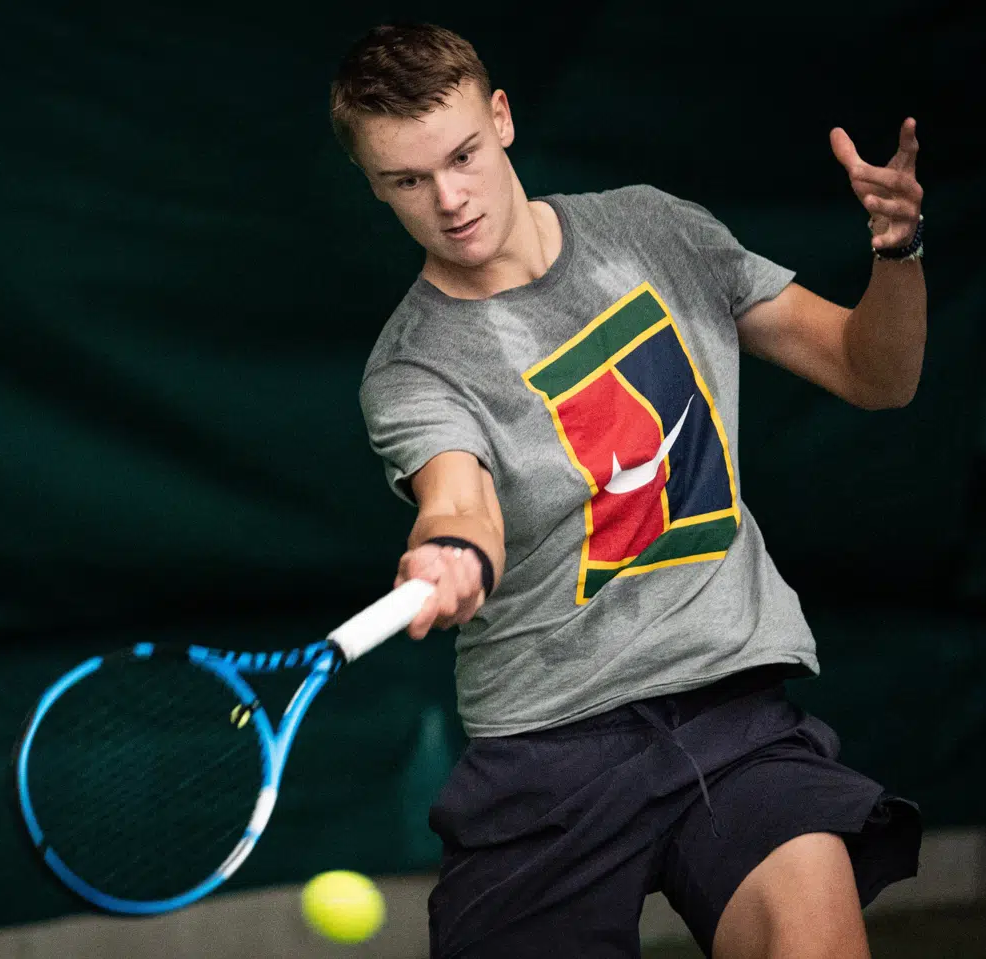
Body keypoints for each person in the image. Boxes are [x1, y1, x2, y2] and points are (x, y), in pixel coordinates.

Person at [329, 21, 926, 959]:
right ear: (374, 185)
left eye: (462, 156)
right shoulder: (412, 369)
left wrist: (899, 251)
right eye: (407, 180)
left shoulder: (654, 228)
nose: (449, 199)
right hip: (547, 749)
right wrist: (449, 546)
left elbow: (874, 372)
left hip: (728, 703)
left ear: (502, 118)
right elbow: (459, 500)